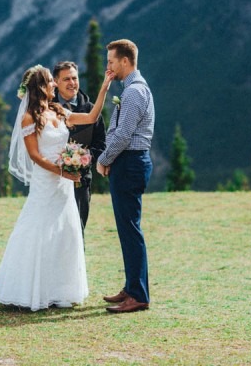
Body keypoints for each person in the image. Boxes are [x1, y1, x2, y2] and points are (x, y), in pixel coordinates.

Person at [0, 64, 113, 311]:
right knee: (37, 230)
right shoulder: (30, 118)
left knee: (65, 233)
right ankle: (27, 290)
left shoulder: (59, 111)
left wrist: (104, 87)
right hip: (46, 183)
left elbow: (90, 118)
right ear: (40, 87)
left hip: (64, 186)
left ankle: (60, 291)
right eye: (50, 82)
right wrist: (62, 171)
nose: (54, 85)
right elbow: (35, 156)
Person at [96, 39, 155, 313]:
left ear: (124, 61)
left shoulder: (134, 93)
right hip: (126, 161)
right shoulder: (130, 90)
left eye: (110, 61)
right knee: (126, 228)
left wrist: (103, 159)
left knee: (130, 229)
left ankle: (139, 294)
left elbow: (123, 134)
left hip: (130, 163)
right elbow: (117, 130)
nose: (108, 66)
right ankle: (132, 287)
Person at [52, 61, 106, 237]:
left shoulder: (90, 109)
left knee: (77, 230)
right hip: (53, 179)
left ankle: (77, 265)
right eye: (66, 79)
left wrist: (84, 157)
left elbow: (100, 144)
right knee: (53, 230)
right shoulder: (45, 108)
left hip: (80, 181)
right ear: (55, 82)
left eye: (74, 78)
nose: (72, 83)